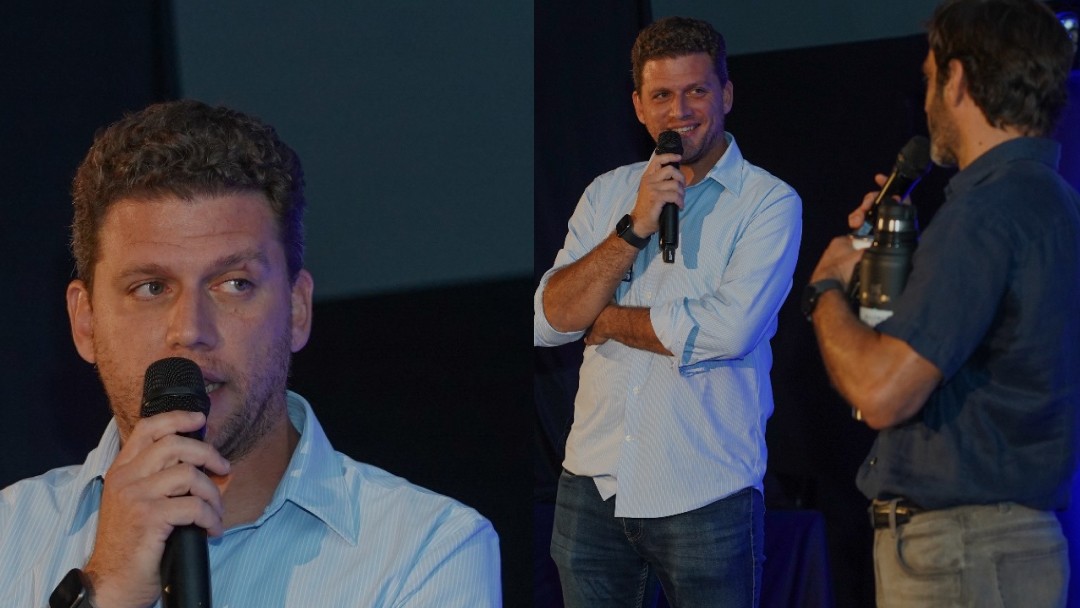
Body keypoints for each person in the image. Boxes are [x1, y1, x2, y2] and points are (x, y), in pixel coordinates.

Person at [0, 100, 500, 607]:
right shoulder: (9, 537)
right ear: (84, 322)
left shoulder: (426, 549)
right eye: (151, 288)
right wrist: (105, 589)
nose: (191, 331)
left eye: (234, 284)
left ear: (297, 309)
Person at [805, 0, 1080, 605]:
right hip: (1007, 545)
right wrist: (889, 274)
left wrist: (826, 287)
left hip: (963, 555)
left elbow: (882, 393)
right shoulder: (1052, 201)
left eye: (930, 77)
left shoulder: (983, 214)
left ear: (956, 79)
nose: (927, 96)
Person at [534, 16, 802, 607]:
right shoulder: (609, 193)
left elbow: (726, 331)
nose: (679, 110)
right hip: (593, 484)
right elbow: (551, 319)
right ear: (638, 106)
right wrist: (634, 229)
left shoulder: (769, 203)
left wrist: (602, 318)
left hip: (707, 492)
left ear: (726, 94)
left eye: (696, 90)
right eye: (662, 95)